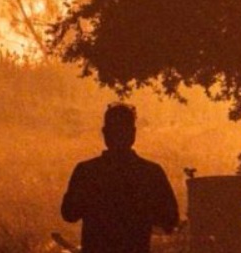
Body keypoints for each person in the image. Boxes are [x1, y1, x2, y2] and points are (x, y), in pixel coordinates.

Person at [61, 102, 179, 253]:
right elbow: (170, 220)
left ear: (105, 133)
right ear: (133, 133)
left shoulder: (86, 171)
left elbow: (69, 214)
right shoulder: (151, 172)